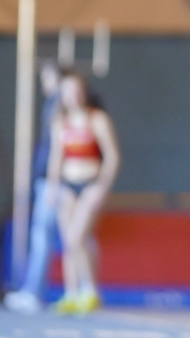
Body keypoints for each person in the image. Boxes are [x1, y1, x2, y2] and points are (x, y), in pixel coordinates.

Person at [8, 70, 120, 315]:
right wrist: (53, 185)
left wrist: (102, 186)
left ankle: (90, 290)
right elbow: (56, 158)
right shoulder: (60, 122)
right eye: (68, 91)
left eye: (78, 90)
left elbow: (112, 156)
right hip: (66, 185)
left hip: (90, 183)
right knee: (69, 240)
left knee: (78, 236)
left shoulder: (97, 119)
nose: (74, 95)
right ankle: (71, 293)